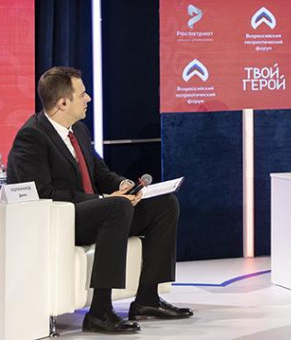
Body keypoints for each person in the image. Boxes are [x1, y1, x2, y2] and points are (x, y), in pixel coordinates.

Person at [7, 67, 192, 334]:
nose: (89, 98)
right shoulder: (32, 136)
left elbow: (99, 172)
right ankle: (100, 312)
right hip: (63, 220)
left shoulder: (78, 130)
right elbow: (43, 194)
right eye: (82, 94)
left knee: (164, 204)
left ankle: (147, 299)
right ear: (62, 103)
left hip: (97, 212)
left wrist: (121, 185)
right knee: (116, 207)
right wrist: (104, 198)